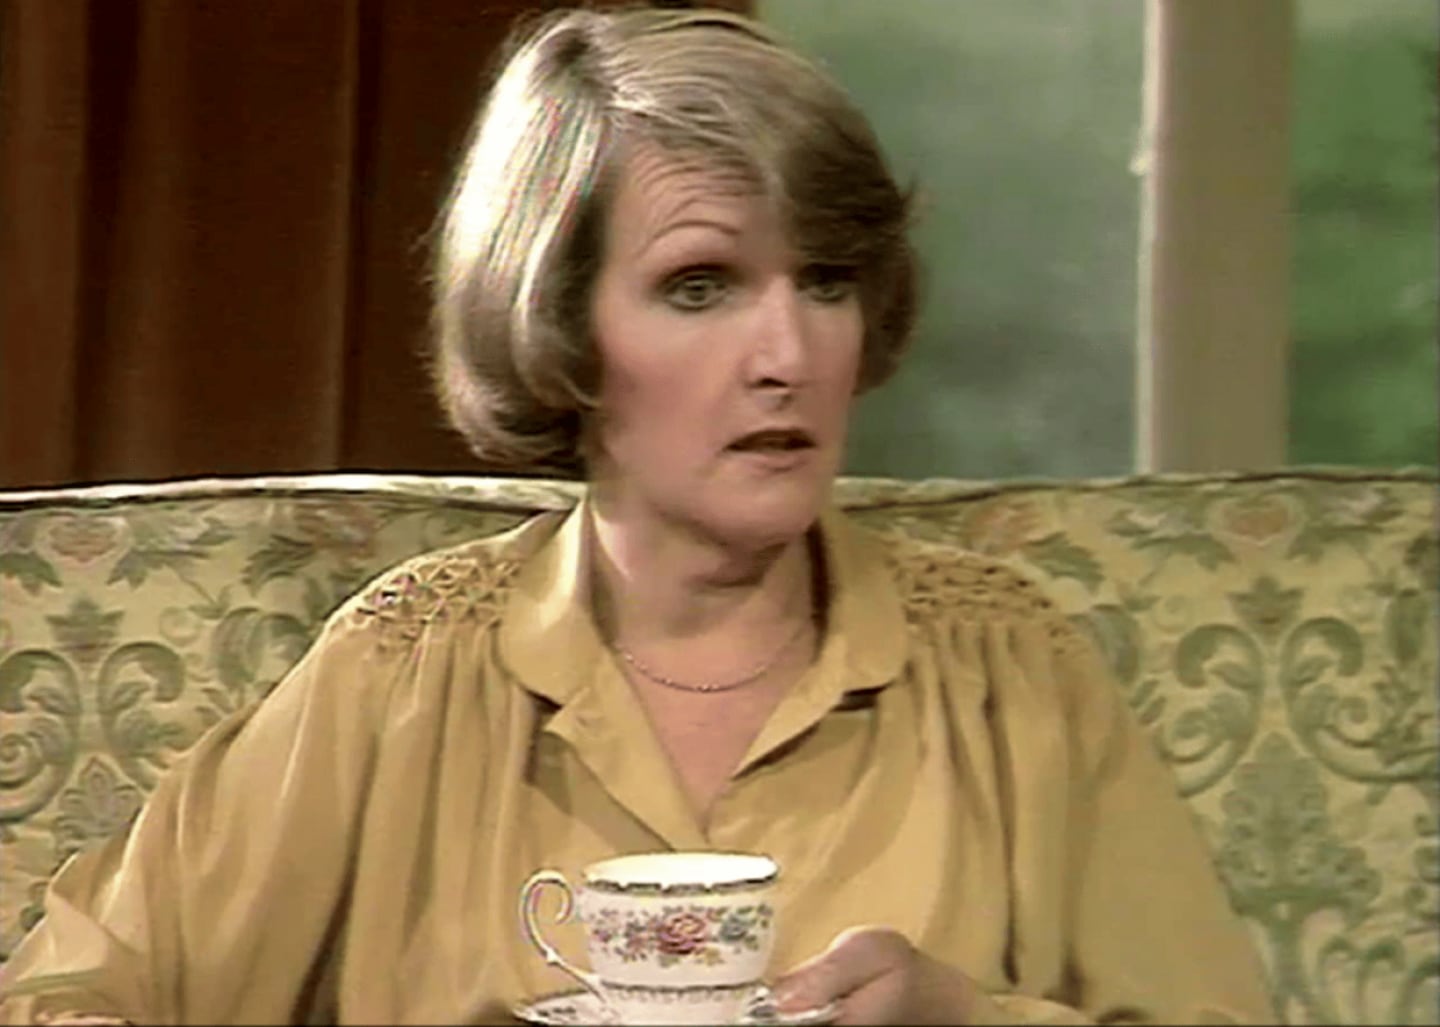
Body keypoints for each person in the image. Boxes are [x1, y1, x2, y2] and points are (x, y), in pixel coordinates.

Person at [0, 4, 1276, 1024]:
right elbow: (69, 995)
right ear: (562, 328)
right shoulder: (404, 669)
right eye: (701, 286)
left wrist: (969, 1021)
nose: (787, 354)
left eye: (826, 281)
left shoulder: (1009, 671)